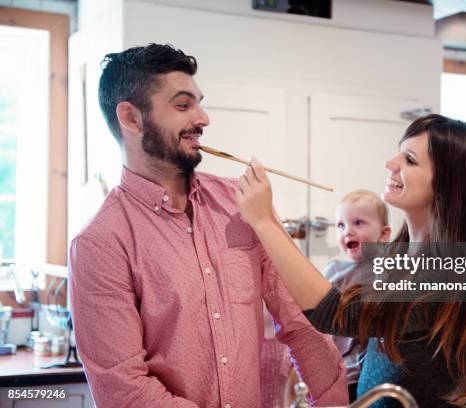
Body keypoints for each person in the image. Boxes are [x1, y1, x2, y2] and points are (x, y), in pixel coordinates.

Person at [68, 44, 348, 408]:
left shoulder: (243, 205)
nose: (203, 118)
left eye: (199, 103)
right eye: (183, 105)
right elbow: (124, 389)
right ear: (132, 119)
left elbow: (303, 325)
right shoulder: (99, 243)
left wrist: (336, 402)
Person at [234, 114, 466, 407]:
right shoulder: (401, 256)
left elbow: (332, 313)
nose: (390, 163)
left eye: (410, 159)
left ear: (447, 186)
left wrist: (264, 220)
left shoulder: (447, 276)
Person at [326, 190, 391, 401]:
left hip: (365, 374)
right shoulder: (333, 272)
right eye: (341, 225)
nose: (348, 231)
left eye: (358, 223)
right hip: (335, 372)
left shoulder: (387, 271)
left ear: (383, 234)